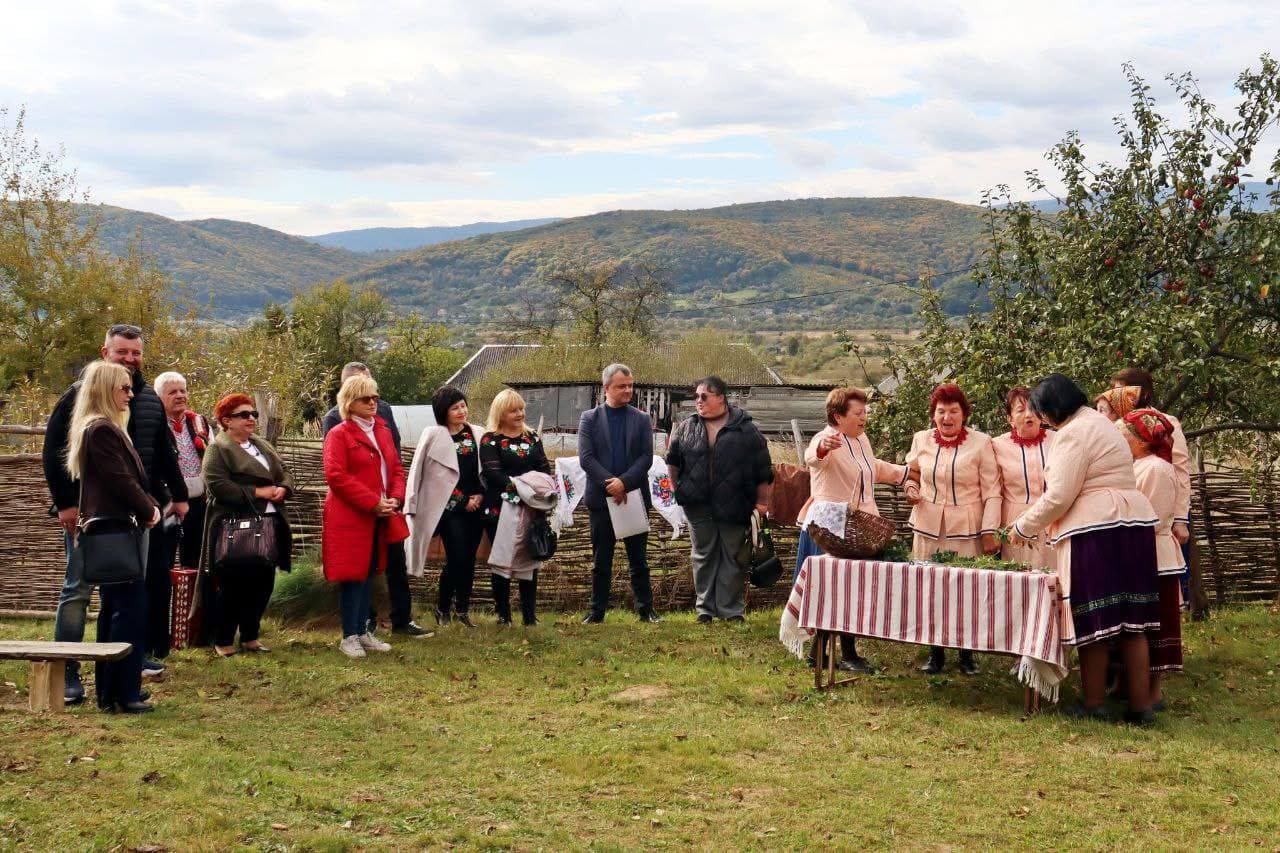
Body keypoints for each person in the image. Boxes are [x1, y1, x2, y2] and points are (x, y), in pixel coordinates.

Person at [42, 323, 188, 703]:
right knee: (78, 590)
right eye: (122, 352)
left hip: (134, 515)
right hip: (94, 514)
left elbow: (160, 452)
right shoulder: (82, 398)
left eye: (135, 352)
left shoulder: (146, 399)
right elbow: (54, 453)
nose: (130, 358)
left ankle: (124, 661)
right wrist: (67, 504)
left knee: (123, 594)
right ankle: (68, 669)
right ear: (105, 351)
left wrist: (175, 495)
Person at [1011, 374, 1160, 725]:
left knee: (1093, 618)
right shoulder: (1101, 423)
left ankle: (1093, 703)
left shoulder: (1072, 435)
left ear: (1053, 409)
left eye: (1043, 412)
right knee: (1132, 624)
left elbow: (1060, 496)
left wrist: (1022, 527)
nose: (1043, 419)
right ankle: (1141, 708)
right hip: (1134, 524)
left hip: (1099, 528)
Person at [66, 360, 161, 713]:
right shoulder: (101, 430)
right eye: (124, 388)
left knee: (116, 610)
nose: (131, 393)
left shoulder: (101, 427)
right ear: (106, 389)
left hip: (116, 529)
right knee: (128, 611)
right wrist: (149, 509)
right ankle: (123, 691)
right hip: (115, 532)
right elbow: (121, 480)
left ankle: (115, 690)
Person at [794, 386, 907, 672]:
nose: (864, 417)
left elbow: (872, 468)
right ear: (838, 416)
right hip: (829, 529)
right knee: (830, 591)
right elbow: (813, 457)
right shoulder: (826, 438)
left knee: (850, 590)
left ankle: (842, 653)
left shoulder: (862, 440)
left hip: (859, 527)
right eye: (858, 413)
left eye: (865, 412)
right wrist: (822, 448)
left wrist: (905, 473)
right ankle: (826, 653)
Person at [322, 362, 427, 637]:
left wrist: (395, 498)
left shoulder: (381, 427)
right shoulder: (337, 431)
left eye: (375, 397)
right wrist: (372, 502)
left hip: (385, 510)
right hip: (356, 513)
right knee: (355, 573)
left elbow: (394, 467)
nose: (373, 402)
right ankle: (353, 633)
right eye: (366, 397)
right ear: (349, 400)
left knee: (381, 568)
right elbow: (336, 475)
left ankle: (386, 626)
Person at [903, 383, 1001, 675]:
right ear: (933, 415)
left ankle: (967, 654)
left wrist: (989, 530)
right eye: (941, 411)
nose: (947, 417)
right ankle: (935, 654)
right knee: (930, 587)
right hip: (928, 526)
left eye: (954, 411)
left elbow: (992, 491)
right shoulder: (921, 439)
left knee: (965, 588)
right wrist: (910, 487)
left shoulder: (981, 443)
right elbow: (913, 473)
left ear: (964, 414)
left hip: (966, 528)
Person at [665, 376, 773, 623]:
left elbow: (763, 470)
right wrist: (678, 490)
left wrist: (762, 503)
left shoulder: (746, 429)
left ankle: (731, 610)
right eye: (696, 396)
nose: (698, 401)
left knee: (733, 557)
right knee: (702, 556)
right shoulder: (687, 427)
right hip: (698, 504)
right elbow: (672, 462)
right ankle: (704, 609)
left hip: (736, 503)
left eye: (704, 396)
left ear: (721, 397)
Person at [201, 393, 295, 657]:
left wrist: (283, 489)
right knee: (234, 585)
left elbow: (285, 470)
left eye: (253, 414)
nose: (251, 419)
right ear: (226, 420)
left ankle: (251, 637)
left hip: (269, 522)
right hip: (236, 527)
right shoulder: (218, 449)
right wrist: (258, 492)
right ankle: (223, 640)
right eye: (244, 415)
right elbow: (217, 485)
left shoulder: (261, 445)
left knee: (263, 582)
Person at [578, 364, 659, 625]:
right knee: (601, 561)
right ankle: (597, 612)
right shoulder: (589, 419)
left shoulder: (641, 419)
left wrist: (623, 483)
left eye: (630, 385)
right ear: (606, 388)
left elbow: (646, 457)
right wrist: (609, 484)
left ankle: (646, 611)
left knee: (639, 560)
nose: (628, 390)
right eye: (621, 386)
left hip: (633, 496)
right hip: (601, 501)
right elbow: (587, 459)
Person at [404, 386, 487, 627]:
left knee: (469, 559)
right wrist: (463, 501)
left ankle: (462, 609)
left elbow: (487, 469)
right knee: (456, 558)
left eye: (463, 405)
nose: (462, 411)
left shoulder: (478, 433)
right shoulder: (434, 436)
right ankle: (442, 607)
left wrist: (479, 496)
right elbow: (428, 476)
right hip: (449, 510)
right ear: (443, 412)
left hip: (477, 505)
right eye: (455, 408)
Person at [1110, 368, 1193, 600]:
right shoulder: (1115, 424)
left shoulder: (1167, 423)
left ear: (1143, 394)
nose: (1117, 398)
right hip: (1128, 505)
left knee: (1162, 579)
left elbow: (1180, 471)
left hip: (1161, 506)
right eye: (1115, 392)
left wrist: (1180, 519)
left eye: (1124, 392)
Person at [1121, 408, 1185, 709]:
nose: (1120, 437)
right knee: (1140, 624)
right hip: (1140, 552)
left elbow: (1154, 517)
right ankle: (1131, 686)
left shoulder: (1156, 469)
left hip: (1154, 556)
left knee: (1156, 624)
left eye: (1125, 433)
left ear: (1141, 440)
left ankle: (1152, 692)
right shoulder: (1140, 466)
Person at [480, 390, 554, 626]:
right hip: (500, 509)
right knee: (503, 560)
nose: (520, 413)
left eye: (522, 408)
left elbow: (544, 469)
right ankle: (503, 615)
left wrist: (531, 489)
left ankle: (529, 616)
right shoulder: (490, 440)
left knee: (530, 560)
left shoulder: (532, 438)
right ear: (501, 412)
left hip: (531, 508)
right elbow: (493, 473)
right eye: (514, 410)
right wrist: (523, 486)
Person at [156, 371, 212, 641]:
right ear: (159, 397)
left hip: (199, 504)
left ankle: (193, 629)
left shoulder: (198, 423)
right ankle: (163, 630)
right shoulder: (155, 424)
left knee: (196, 564)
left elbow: (211, 456)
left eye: (183, 390)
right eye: (172, 392)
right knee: (163, 564)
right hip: (166, 504)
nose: (180, 396)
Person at [991, 387, 1056, 570]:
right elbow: (992, 490)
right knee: (1020, 579)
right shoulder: (996, 446)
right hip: (1016, 524)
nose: (1029, 414)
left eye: (1034, 408)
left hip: (1054, 519)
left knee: (1057, 579)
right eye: (1021, 410)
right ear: (1010, 419)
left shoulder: (1058, 440)